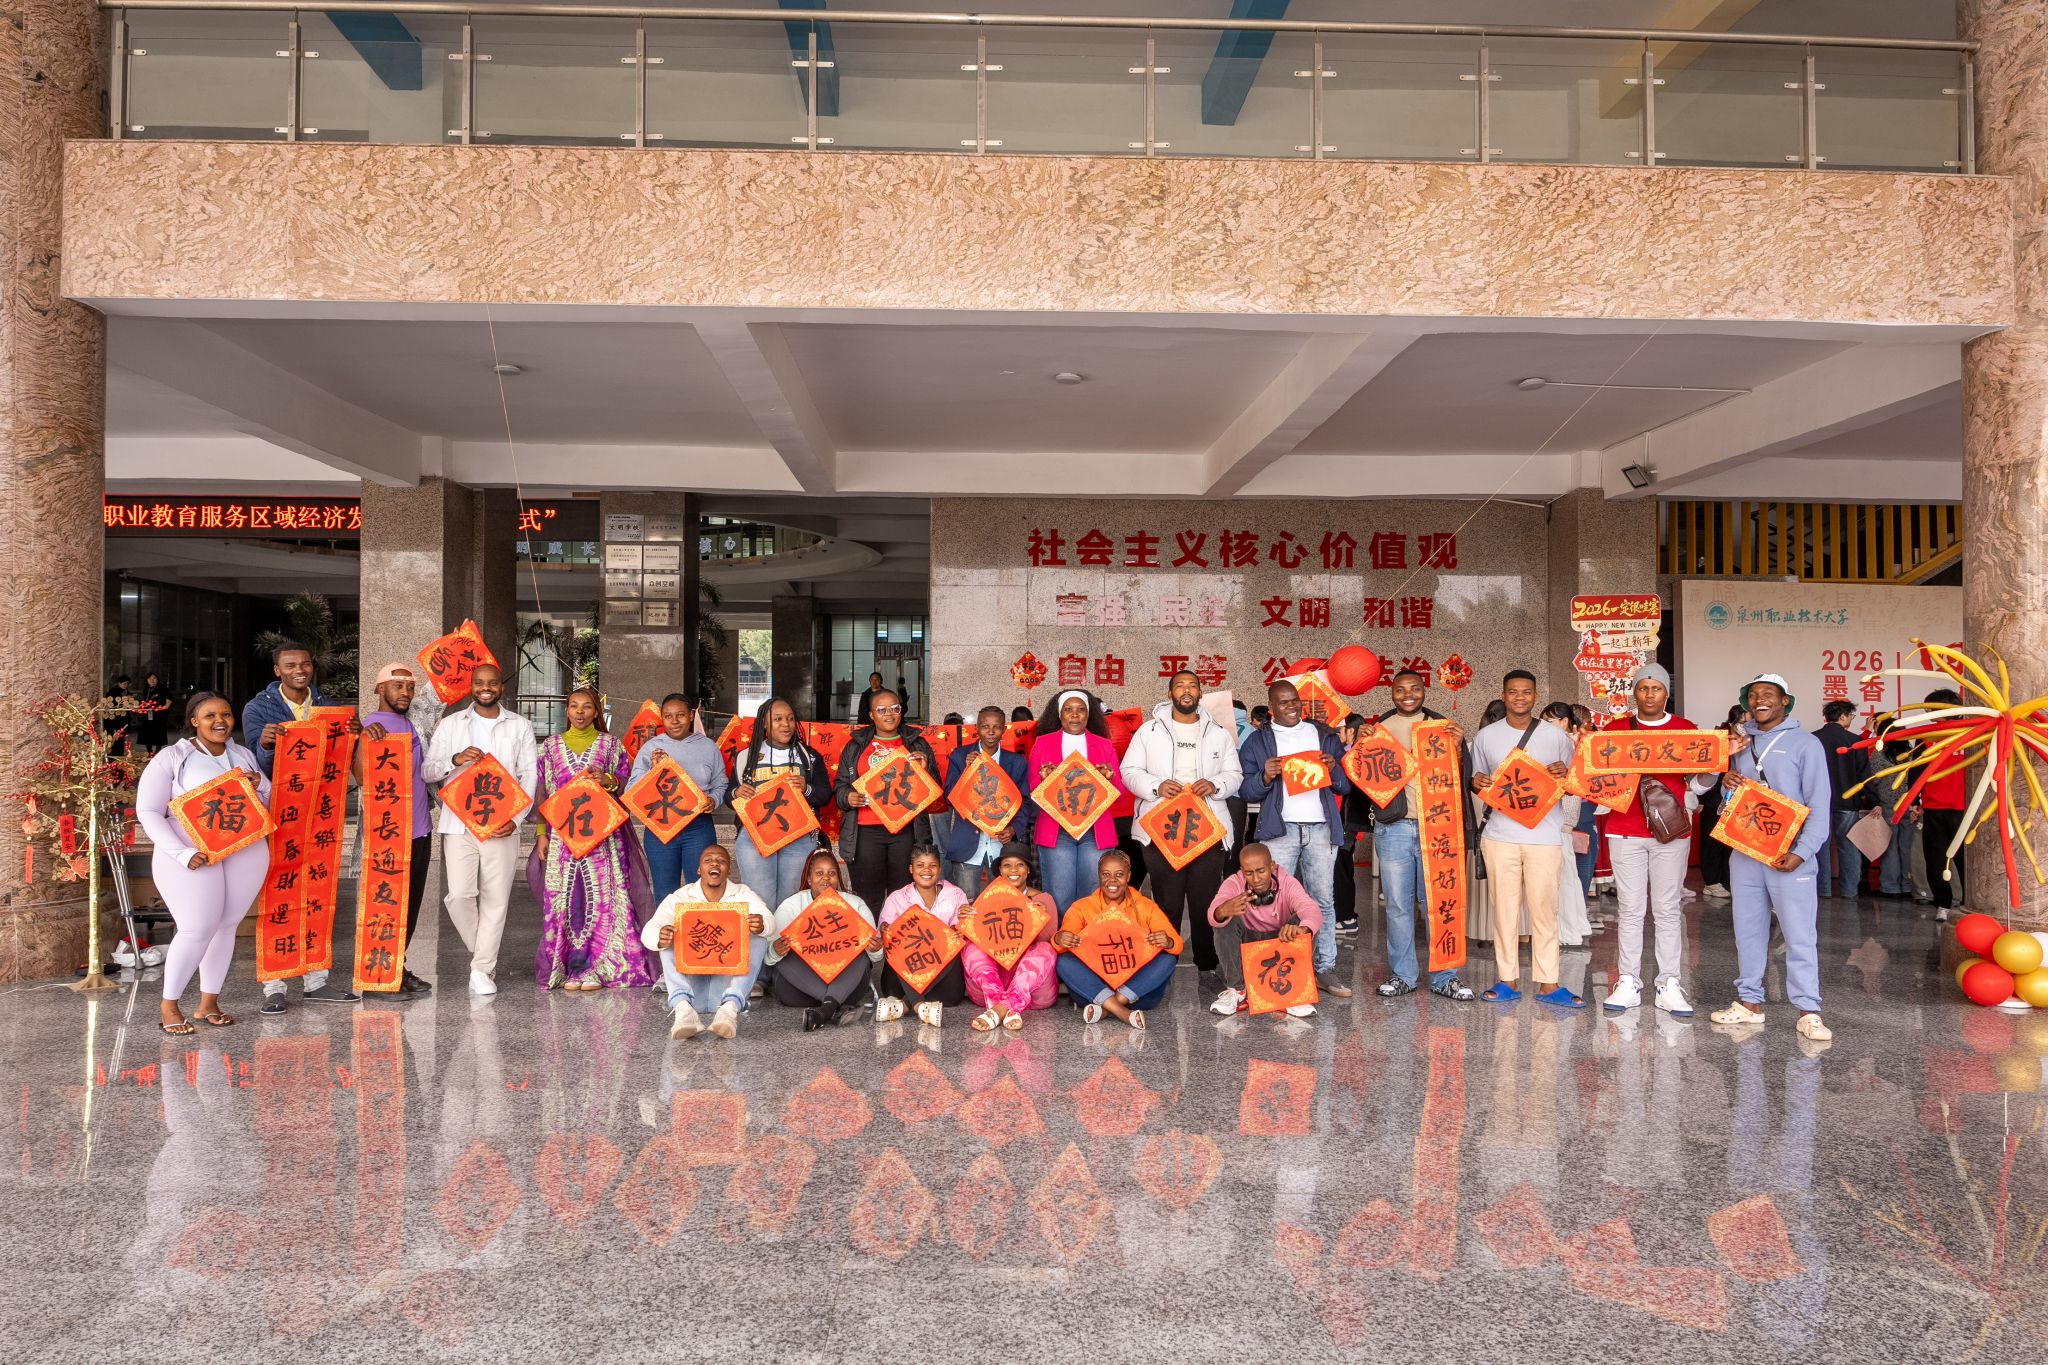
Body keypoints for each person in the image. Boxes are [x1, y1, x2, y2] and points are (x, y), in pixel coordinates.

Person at [137, 693, 271, 1035]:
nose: (220, 721)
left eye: (226, 714)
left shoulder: (242, 754)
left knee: (226, 925)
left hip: (245, 848)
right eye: (210, 715)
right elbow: (148, 811)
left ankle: (209, 1002)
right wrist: (181, 853)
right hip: (192, 853)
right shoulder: (173, 757)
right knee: (196, 927)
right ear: (194, 721)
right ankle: (169, 1005)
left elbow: (268, 799)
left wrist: (261, 784)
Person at [1710, 674, 1833, 1042]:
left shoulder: (1806, 744)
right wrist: (1726, 786)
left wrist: (1802, 852)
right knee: (1747, 932)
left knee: (1799, 935)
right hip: (1746, 854)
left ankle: (1809, 1011)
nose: (1759, 700)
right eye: (1753, 695)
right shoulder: (1741, 744)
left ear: (1784, 702)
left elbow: (1819, 804)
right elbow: (1730, 805)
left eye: (1768, 694)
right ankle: (1749, 1003)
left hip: (1789, 856)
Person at [247, 641, 361, 1012]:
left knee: (318, 892)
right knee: (278, 894)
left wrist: (354, 734)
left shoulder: (328, 707)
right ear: (277, 671)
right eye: (291, 665)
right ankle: (274, 986)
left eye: (305, 664)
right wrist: (266, 745)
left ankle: (317, 981)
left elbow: (342, 761)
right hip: (280, 814)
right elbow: (258, 765)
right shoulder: (259, 708)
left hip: (321, 815)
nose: (300, 670)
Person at [1351, 670, 1477, 1000]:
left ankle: (1445, 977)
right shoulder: (1379, 729)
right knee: (1397, 906)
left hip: (1437, 827)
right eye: (1400, 689)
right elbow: (1360, 778)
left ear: (1424, 691)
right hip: (1394, 828)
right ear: (1391, 693)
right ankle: (1403, 975)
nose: (1408, 694)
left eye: (1415, 688)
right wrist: (1358, 745)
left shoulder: (1441, 726)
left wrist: (1459, 748)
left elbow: (1461, 778)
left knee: (1441, 903)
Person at [1121, 669, 1242, 997]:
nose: (1186, 691)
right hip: (1161, 829)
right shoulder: (1148, 731)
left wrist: (1214, 784)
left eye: (1192, 686)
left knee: (1205, 902)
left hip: (1207, 830)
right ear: (1170, 693)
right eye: (1180, 686)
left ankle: (1207, 968)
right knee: (1167, 903)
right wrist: (1156, 786)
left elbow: (1235, 774)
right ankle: (1164, 966)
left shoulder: (1218, 733)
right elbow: (1129, 771)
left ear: (1200, 693)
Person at [531, 686, 657, 990]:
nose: (580, 712)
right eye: (574, 706)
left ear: (595, 711)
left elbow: (627, 784)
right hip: (562, 838)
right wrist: (541, 834)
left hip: (603, 839)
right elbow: (542, 791)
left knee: (604, 900)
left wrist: (608, 779)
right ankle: (568, 968)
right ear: (567, 710)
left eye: (587, 706)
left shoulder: (611, 745)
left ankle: (603, 968)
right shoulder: (550, 747)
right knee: (565, 901)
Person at [424, 662, 538, 996]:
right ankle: (484, 954)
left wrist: (516, 818)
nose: (485, 688)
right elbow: (428, 771)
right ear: (471, 686)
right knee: (459, 895)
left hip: (501, 825)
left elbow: (529, 774)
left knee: (495, 899)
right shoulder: (450, 724)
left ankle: (482, 969)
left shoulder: (519, 725)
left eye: (492, 683)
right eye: (479, 682)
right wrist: (455, 760)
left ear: (501, 686)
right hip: (458, 824)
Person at [1238, 678, 1355, 1000]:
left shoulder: (1323, 735)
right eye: (1284, 702)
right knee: (1272, 900)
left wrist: (1334, 769)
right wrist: (1265, 776)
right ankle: (1274, 970)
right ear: (1271, 707)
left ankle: (1324, 967)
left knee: (1322, 900)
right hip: (1280, 830)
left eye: (1295, 701)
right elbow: (1246, 790)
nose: (1291, 707)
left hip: (1320, 828)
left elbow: (1344, 786)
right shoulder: (1257, 741)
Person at [1469, 670, 1580, 1007]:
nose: (1520, 697)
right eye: (1513, 692)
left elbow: (1573, 783)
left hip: (1544, 836)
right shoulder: (1486, 737)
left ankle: (1549, 983)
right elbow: (1478, 783)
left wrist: (1564, 775)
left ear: (1535, 695)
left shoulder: (1555, 737)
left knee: (1545, 911)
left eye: (1526, 692)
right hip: (1500, 836)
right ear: (1503, 695)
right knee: (1504, 911)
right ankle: (1507, 980)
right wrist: (1477, 783)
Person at [1597, 664, 1698, 1017]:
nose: (1650, 694)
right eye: (1643, 687)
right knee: (1630, 909)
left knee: (1667, 908)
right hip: (1625, 828)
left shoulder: (1685, 730)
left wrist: (1702, 781)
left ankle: (1669, 982)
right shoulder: (1615, 730)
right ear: (1634, 692)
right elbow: (1597, 777)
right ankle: (1628, 980)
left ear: (1667, 693)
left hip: (1670, 831)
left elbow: (1701, 780)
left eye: (1657, 688)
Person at [357, 663, 435, 999]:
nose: (405, 692)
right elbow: (361, 777)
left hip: (420, 829)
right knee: (385, 908)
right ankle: (377, 978)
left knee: (410, 907)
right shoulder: (369, 726)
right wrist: (363, 740)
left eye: (409, 687)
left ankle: (397, 967)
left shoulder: (413, 722)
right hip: (387, 836)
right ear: (379, 689)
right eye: (397, 686)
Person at [642, 844, 770, 1040]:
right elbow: (649, 931)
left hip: (725, 988)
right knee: (666, 934)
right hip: (692, 990)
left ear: (728, 869)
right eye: (708, 860)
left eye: (721, 861)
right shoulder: (681, 897)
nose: (715, 863)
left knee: (758, 936)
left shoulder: (742, 893)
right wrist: (660, 937)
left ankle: (729, 1010)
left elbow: (770, 921)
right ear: (699, 870)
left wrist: (761, 925)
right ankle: (683, 1012)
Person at [835, 689, 941, 912]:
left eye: (895, 708)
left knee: (903, 897)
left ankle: (898, 935)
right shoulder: (855, 745)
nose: (889, 714)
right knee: (867, 898)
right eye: (881, 710)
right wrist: (847, 797)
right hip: (865, 832)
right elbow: (840, 786)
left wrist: (925, 771)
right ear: (871, 715)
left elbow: (935, 792)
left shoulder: (917, 744)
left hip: (906, 831)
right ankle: (872, 935)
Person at [1028, 689, 1129, 914]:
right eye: (1068, 709)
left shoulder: (1104, 745)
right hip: (1057, 831)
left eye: (1081, 709)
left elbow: (1119, 794)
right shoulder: (1042, 744)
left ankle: (1087, 938)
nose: (1075, 714)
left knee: (1093, 897)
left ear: (1088, 715)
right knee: (1059, 898)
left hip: (1095, 831)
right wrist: (1045, 780)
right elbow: (1033, 791)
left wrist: (1110, 778)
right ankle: (1063, 937)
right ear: (1059, 715)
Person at [1053, 849, 1180, 1028]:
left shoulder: (1146, 906)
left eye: (1119, 875)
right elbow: (1061, 945)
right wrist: (1060, 938)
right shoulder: (1081, 907)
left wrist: (1168, 941)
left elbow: (1176, 944)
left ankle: (1110, 1007)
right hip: (1095, 988)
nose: (1112, 880)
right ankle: (1122, 1011)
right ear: (1099, 876)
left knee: (1167, 958)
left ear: (1128, 877)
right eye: (1106, 874)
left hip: (1136, 993)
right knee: (1064, 961)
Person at [730, 697, 834, 909]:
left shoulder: (808, 756)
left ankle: (785, 933)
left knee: (792, 901)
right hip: (755, 836)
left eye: (790, 718)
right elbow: (729, 795)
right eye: (778, 719)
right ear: (764, 723)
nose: (786, 724)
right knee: (759, 900)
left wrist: (806, 789)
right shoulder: (746, 757)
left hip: (798, 836)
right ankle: (764, 933)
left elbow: (825, 795)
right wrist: (736, 792)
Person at [767, 847, 883, 1031]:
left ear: (838, 877)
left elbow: (875, 958)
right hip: (804, 987)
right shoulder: (791, 905)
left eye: (831, 873)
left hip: (844, 981)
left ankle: (824, 1011)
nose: (826, 878)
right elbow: (768, 958)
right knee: (785, 957)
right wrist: (775, 950)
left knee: (861, 954)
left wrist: (875, 949)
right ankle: (833, 1005)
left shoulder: (855, 904)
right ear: (809, 879)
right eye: (819, 873)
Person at [630, 692, 730, 901]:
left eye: (680, 715)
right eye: (668, 716)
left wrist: (714, 800)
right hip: (661, 827)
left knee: (703, 890)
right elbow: (632, 789)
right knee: (665, 893)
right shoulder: (651, 748)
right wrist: (653, 772)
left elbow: (721, 782)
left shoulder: (707, 746)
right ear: (662, 718)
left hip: (698, 826)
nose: (674, 721)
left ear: (691, 715)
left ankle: (700, 924)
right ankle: (667, 924)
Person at [1205, 842, 1320, 1018]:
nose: (1256, 879)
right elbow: (1212, 913)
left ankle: (1293, 994)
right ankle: (1237, 991)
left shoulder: (1287, 882)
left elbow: (1311, 909)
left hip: (1280, 944)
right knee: (1224, 919)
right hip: (1247, 947)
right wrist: (1221, 911)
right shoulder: (1234, 882)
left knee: (1307, 925)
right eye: (1249, 873)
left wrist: (1302, 928)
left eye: (1261, 871)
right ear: (1242, 871)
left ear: (1272, 866)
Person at [962, 843, 1059, 1032]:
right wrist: (965, 920)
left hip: (1032, 990)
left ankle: (1000, 1008)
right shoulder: (987, 899)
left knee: (1046, 949)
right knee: (970, 946)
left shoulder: (1043, 900)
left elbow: (1049, 942)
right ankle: (1008, 1005)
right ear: (1000, 870)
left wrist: (1039, 920)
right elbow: (972, 939)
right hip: (989, 989)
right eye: (1007, 865)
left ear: (1028, 870)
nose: (1013, 870)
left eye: (1020, 864)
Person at [875, 843, 971, 1026]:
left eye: (932, 865)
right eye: (920, 865)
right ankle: (920, 1006)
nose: (926, 870)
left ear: (939, 869)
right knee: (900, 945)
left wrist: (960, 928)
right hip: (900, 980)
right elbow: (884, 942)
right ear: (911, 869)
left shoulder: (956, 895)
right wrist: (886, 931)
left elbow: (961, 933)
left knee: (951, 945)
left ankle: (904, 1005)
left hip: (945, 984)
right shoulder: (896, 898)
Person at [943, 705, 1033, 898]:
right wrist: (968, 772)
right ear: (976, 728)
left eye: (996, 727)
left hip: (1002, 847)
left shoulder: (1017, 763)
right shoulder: (960, 756)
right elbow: (950, 797)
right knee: (966, 903)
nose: (991, 732)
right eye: (985, 726)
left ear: (1004, 729)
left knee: (1003, 901)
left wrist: (1014, 829)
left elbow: (1024, 801)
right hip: (967, 845)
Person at [1916, 688, 1968, 919]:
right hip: (1936, 806)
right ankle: (1948, 905)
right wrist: (1915, 801)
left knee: (1956, 859)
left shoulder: (1971, 732)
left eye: (1932, 708)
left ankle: (1960, 904)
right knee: (1940, 859)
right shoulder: (1926, 735)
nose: (1929, 712)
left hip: (1959, 808)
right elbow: (1916, 770)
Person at [1813, 699, 1871, 899]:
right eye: (1851, 716)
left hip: (1819, 801)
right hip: (1848, 801)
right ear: (1843, 716)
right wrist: (1874, 800)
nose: (1851, 719)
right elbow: (1864, 774)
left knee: (1820, 845)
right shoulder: (1854, 741)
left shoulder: (1813, 739)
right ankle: (1849, 891)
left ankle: (1823, 890)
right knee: (1848, 846)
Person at [1698, 704, 1747, 902]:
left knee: (1730, 842)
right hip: (1714, 799)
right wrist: (1701, 799)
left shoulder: (1748, 741)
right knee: (1712, 842)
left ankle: (1726, 878)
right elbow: (1705, 770)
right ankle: (1711, 882)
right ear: (1732, 722)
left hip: (1738, 800)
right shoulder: (1719, 741)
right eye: (1743, 722)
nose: (1746, 726)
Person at [137, 670, 172, 752]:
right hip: (148, 713)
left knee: (158, 732)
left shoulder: (163, 688)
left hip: (159, 713)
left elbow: (169, 697)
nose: (152, 680)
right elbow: (145, 700)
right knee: (146, 732)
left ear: (157, 679)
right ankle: (149, 751)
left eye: (154, 678)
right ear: (147, 680)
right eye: (150, 679)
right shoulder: (146, 690)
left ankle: (157, 751)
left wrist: (166, 706)